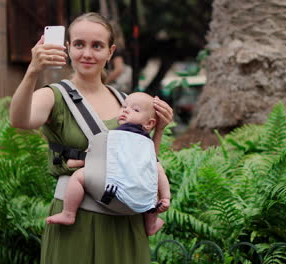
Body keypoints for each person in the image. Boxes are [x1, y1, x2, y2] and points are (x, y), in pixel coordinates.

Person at [9, 12, 173, 264]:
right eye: (79, 44)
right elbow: (19, 120)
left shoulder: (126, 102)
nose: (87, 53)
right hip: (78, 220)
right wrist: (33, 71)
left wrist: (159, 129)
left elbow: (146, 161)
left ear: (110, 52)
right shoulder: (55, 96)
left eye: (97, 46)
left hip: (126, 220)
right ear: (68, 48)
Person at [45, 92, 170, 237]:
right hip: (140, 201)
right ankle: (151, 225)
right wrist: (165, 197)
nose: (126, 110)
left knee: (78, 177)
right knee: (153, 183)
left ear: (149, 123)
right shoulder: (148, 145)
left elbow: (94, 154)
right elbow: (158, 170)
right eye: (124, 106)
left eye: (135, 110)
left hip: (112, 192)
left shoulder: (114, 135)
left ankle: (68, 213)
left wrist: (75, 161)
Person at [104, 21, 132, 93]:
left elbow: (118, 69)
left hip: (118, 85)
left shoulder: (116, 50)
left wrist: (104, 81)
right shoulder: (121, 47)